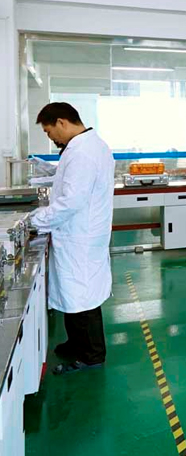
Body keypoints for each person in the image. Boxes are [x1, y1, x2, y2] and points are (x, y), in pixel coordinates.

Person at [30, 102, 115, 374]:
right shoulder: (86, 146)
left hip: (80, 236)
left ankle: (91, 355)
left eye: (49, 131)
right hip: (81, 234)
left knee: (81, 296)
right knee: (74, 293)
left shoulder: (83, 152)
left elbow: (71, 201)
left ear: (62, 122)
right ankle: (76, 343)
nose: (50, 137)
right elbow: (70, 187)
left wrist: (34, 220)